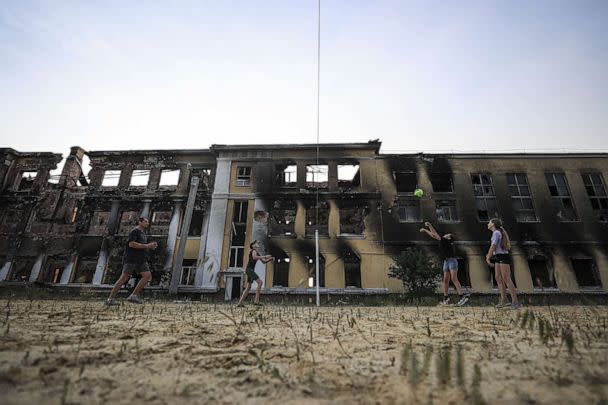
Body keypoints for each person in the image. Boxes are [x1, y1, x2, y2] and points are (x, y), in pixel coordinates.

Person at [105, 217, 157, 305]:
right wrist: (147, 246)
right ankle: (110, 299)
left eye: (148, 222)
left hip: (141, 259)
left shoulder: (143, 233)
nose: (147, 223)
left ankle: (133, 296)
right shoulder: (135, 231)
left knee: (147, 275)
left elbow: (143, 246)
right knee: (124, 278)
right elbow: (131, 244)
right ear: (140, 222)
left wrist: (150, 246)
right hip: (131, 258)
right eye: (145, 222)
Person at [420, 222, 470, 306]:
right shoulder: (443, 242)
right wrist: (426, 230)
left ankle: (462, 296)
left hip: (452, 261)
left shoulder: (446, 241)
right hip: (446, 261)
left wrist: (429, 225)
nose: (445, 234)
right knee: (445, 281)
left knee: (454, 278)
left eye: (447, 234)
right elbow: (433, 235)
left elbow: (435, 234)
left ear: (449, 238)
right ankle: (446, 298)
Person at [486, 218, 520, 309]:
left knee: (506, 278)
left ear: (493, 224)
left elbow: (493, 247)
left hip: (503, 257)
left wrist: (487, 257)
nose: (488, 224)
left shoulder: (497, 233)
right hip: (498, 257)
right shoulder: (495, 233)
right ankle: (504, 300)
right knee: (498, 277)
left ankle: (515, 302)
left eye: (489, 222)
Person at [237, 240, 274, 307]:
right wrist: (265, 256)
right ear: (253, 246)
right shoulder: (253, 251)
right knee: (260, 283)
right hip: (249, 270)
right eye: (256, 243)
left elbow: (264, 262)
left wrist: (270, 259)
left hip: (250, 270)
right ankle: (256, 301)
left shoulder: (257, 253)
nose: (257, 243)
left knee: (248, 287)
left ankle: (240, 303)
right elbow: (254, 257)